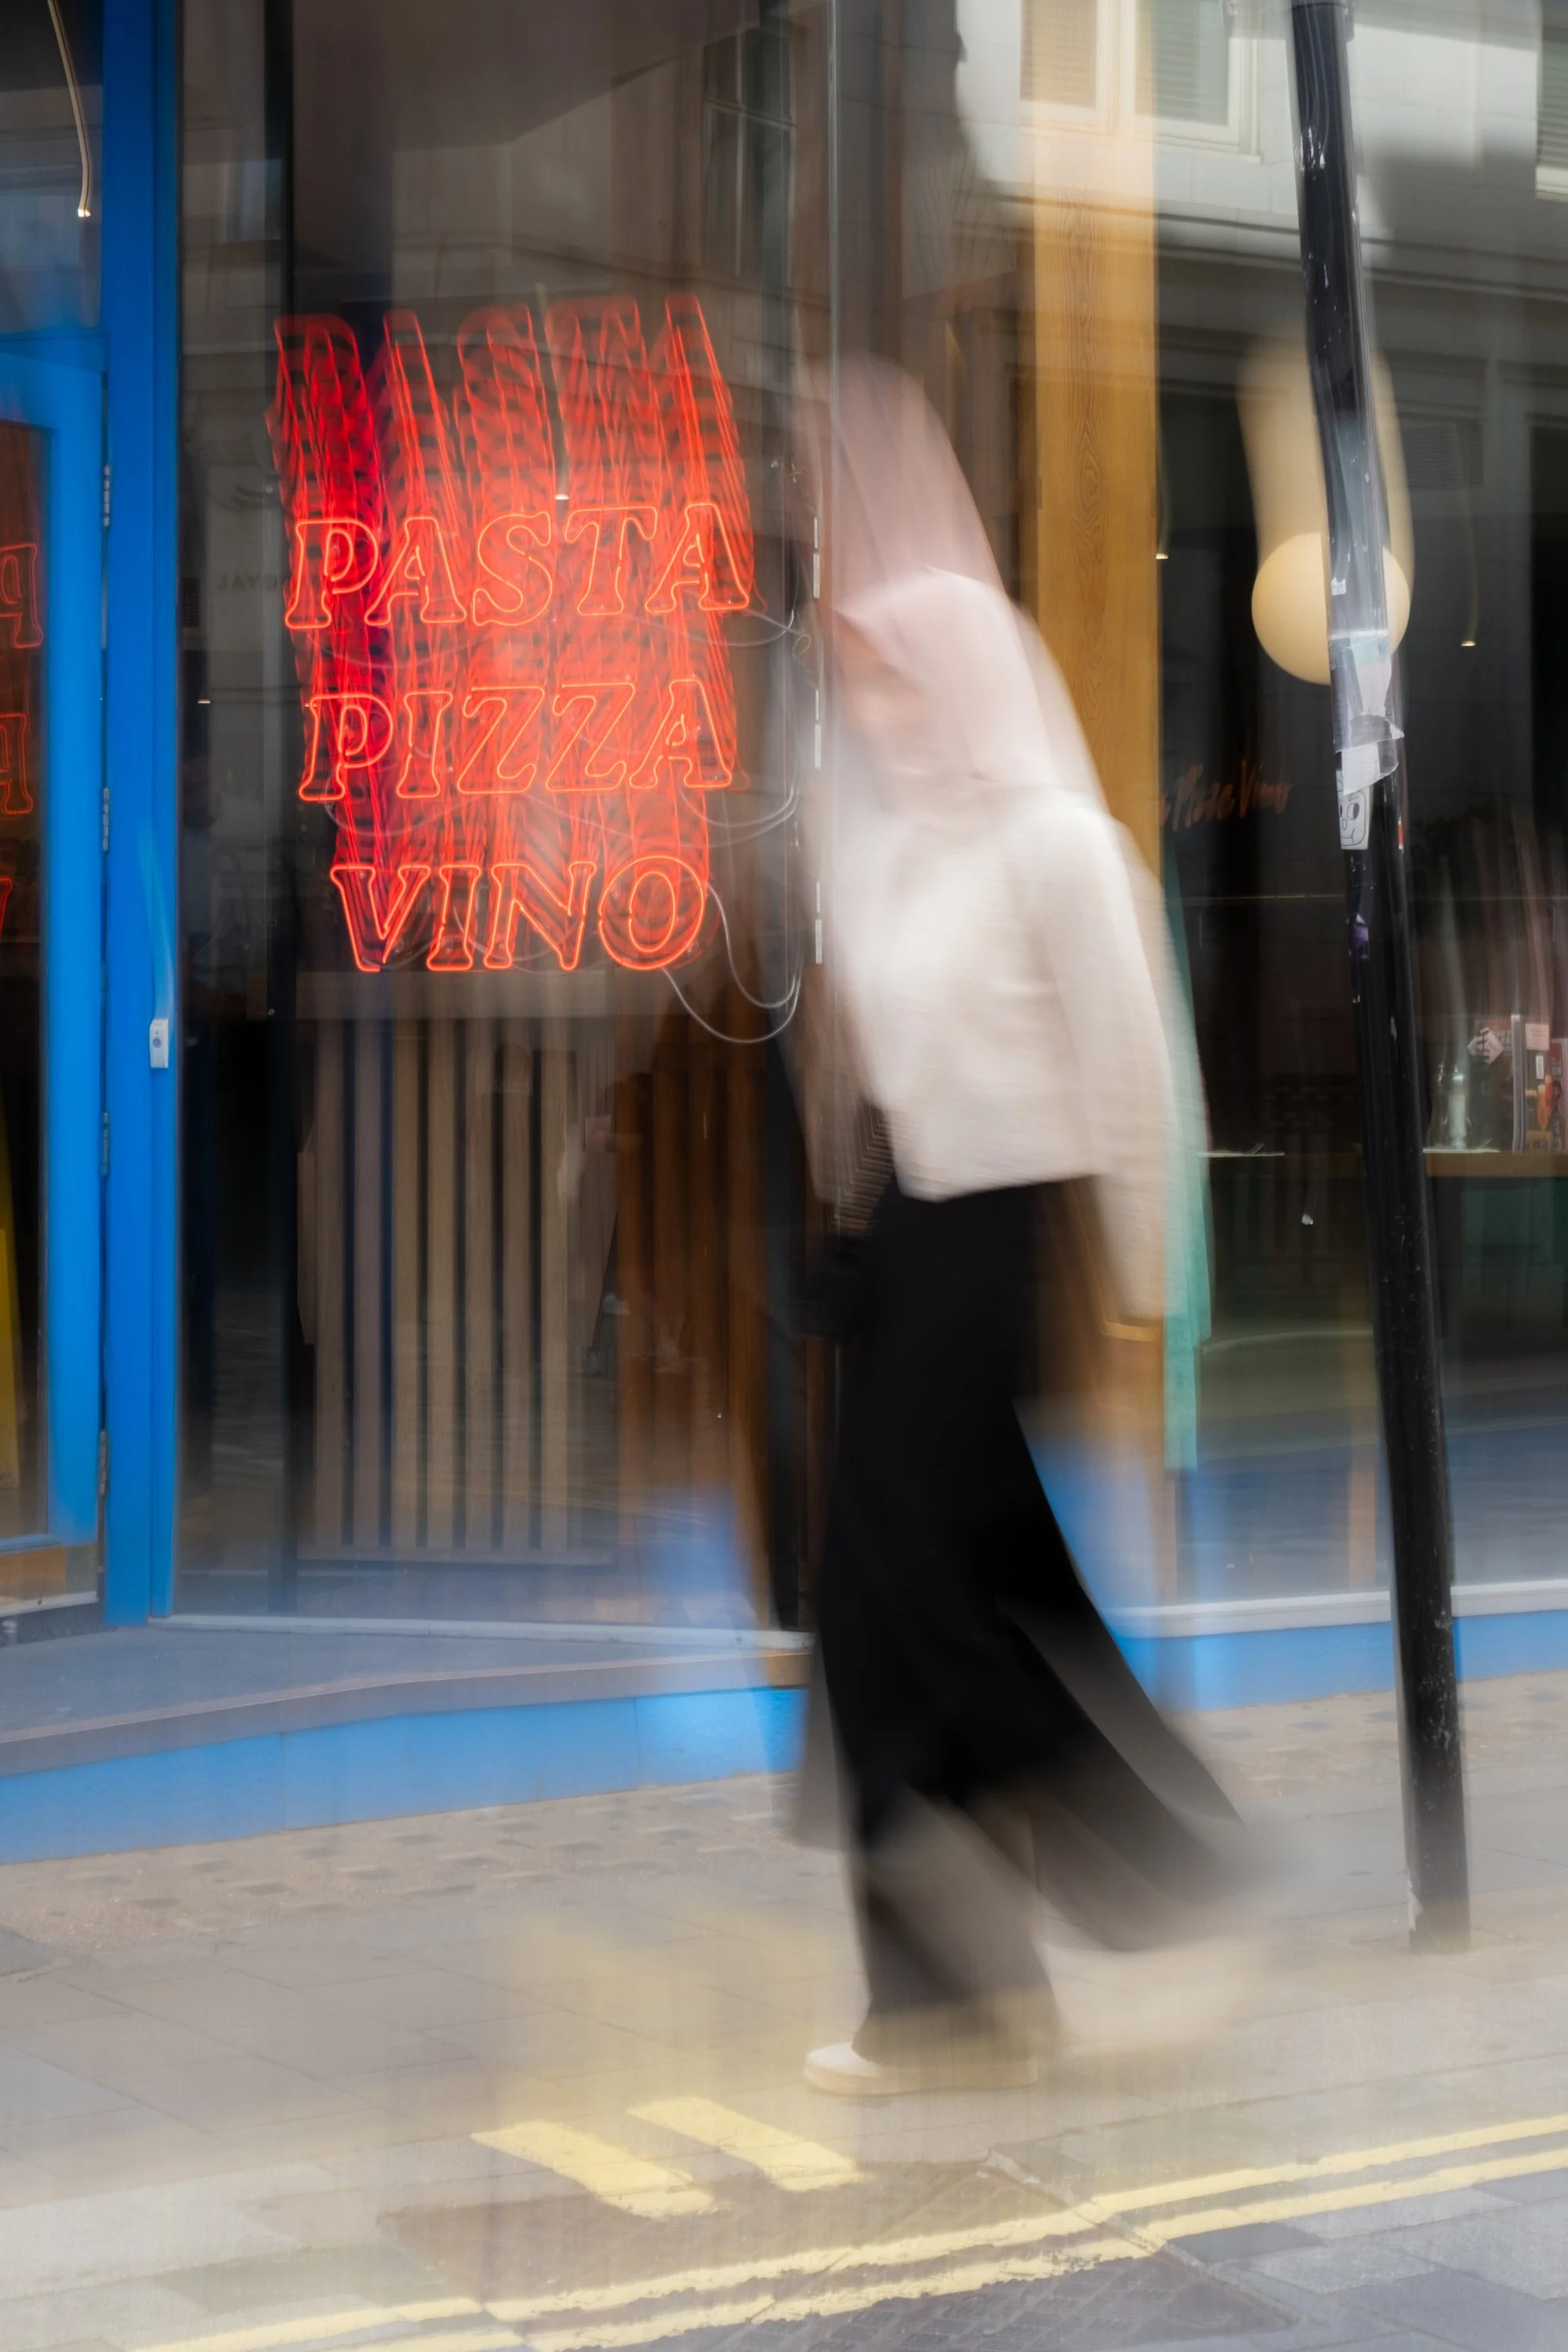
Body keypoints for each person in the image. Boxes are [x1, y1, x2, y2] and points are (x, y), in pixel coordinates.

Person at [796, 359, 1247, 2096]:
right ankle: (986, 1980)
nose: (871, 696)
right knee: (901, 1609)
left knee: (909, 1600)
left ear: (962, 669)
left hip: (1013, 1250)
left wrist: (1143, 1298)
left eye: (895, 666)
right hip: (918, 1249)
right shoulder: (892, 850)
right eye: (855, 671)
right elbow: (870, 1061)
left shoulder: (1064, 848)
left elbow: (1142, 1086)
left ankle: (1090, 1895)